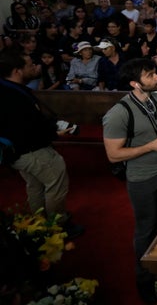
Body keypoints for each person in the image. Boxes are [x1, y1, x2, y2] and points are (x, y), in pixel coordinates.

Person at [102, 58, 157, 303]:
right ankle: (145, 280)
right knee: (145, 229)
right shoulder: (118, 113)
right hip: (141, 178)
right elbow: (113, 154)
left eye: (155, 72)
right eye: (150, 75)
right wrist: (149, 146)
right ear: (135, 84)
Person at [0, 51, 83, 236]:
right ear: (17, 71)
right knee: (55, 184)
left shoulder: (7, 88)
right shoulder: (14, 96)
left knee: (35, 186)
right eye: (30, 65)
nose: (36, 67)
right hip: (32, 150)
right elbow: (28, 126)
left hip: (17, 151)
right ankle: (58, 224)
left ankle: (39, 222)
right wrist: (55, 132)